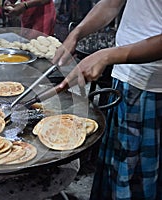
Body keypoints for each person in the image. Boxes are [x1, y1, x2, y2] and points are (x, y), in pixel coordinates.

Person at [52, 0, 162, 199]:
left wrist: (107, 56)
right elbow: (112, 3)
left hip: (151, 86)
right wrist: (77, 33)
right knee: (117, 167)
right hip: (125, 75)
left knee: (136, 179)